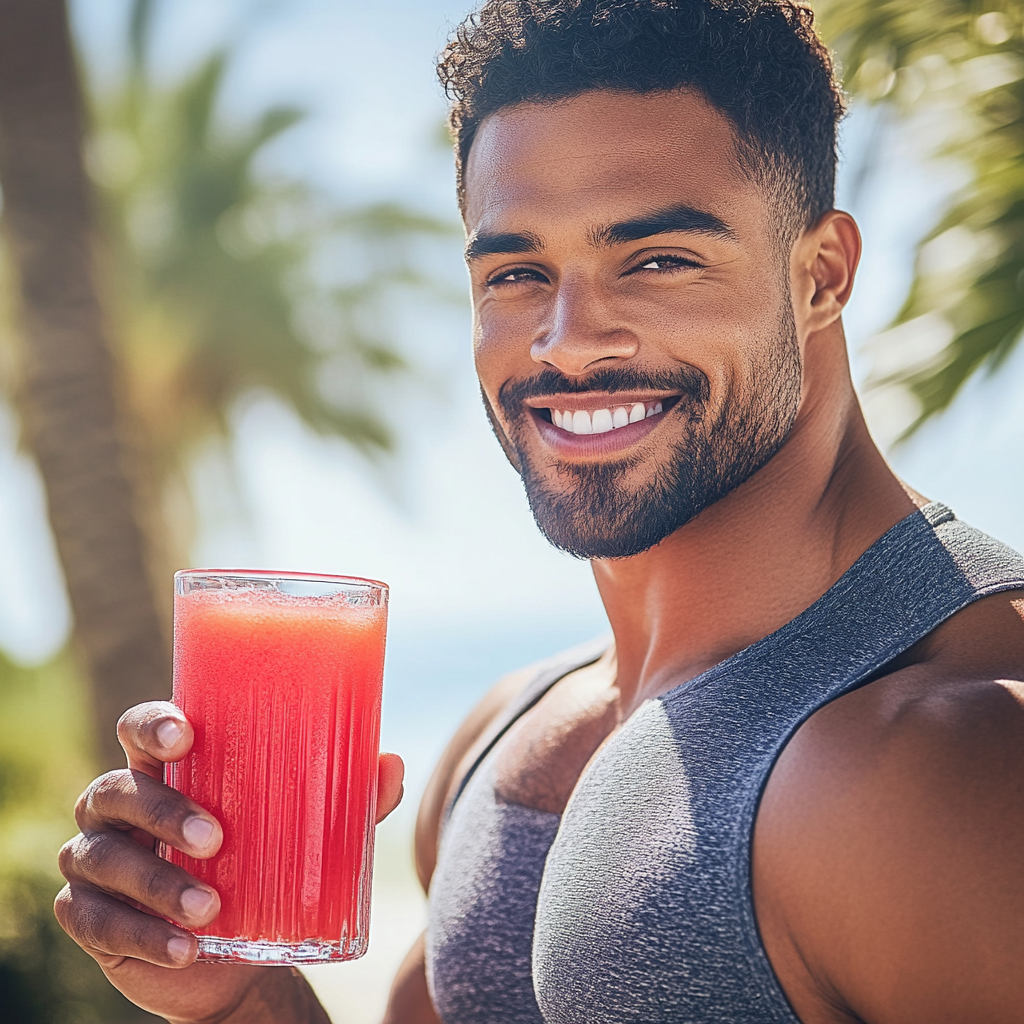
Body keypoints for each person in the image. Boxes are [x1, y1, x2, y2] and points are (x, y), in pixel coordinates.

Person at [55, 1, 1024, 1021]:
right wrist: (238, 997)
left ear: (820, 273)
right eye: (517, 272)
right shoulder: (506, 736)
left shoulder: (948, 759)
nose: (566, 342)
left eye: (656, 260)